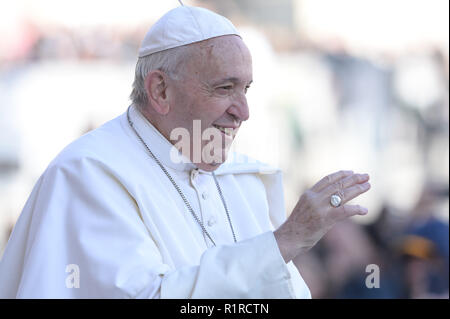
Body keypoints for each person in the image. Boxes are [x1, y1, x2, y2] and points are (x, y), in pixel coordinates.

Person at [0, 5, 371, 298]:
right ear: (160, 90)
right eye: (225, 88)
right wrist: (283, 242)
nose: (243, 112)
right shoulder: (88, 174)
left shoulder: (240, 178)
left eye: (246, 89)